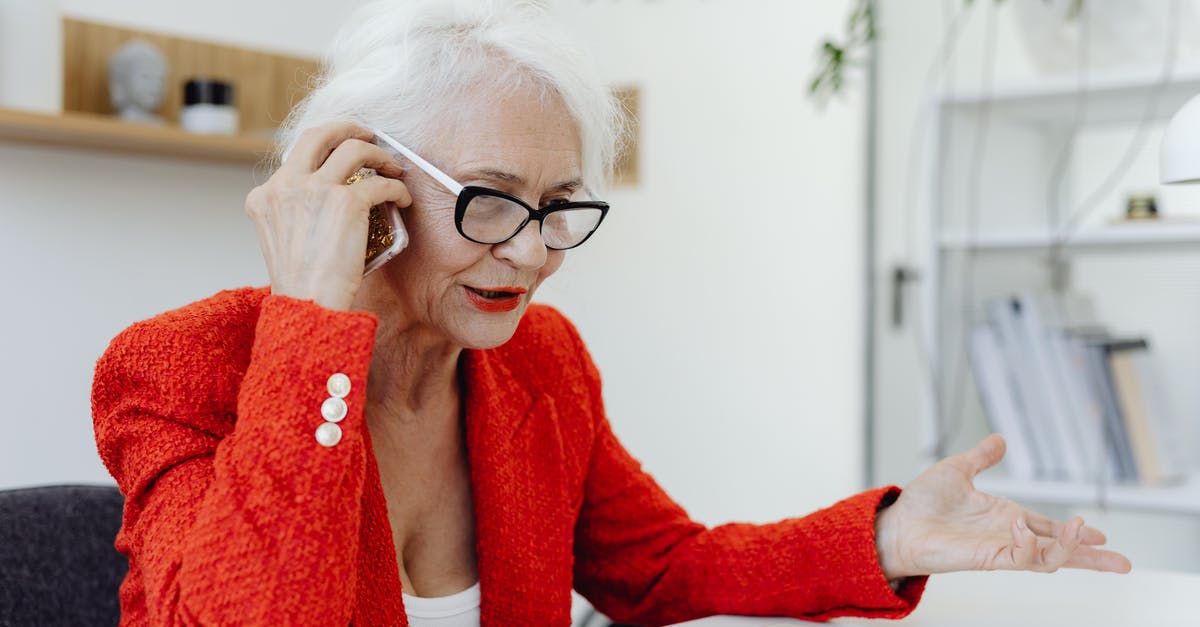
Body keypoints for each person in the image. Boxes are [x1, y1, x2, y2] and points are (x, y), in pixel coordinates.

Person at [90, 1, 1132, 625]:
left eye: (557, 208)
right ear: (364, 177)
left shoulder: (538, 361)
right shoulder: (179, 368)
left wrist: (891, 536)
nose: (535, 252)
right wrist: (314, 328)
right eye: (492, 199)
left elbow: (662, 568)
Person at [108, 40, 167, 125]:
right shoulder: (113, 125)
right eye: (146, 76)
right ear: (122, 79)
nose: (154, 85)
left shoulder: (162, 128)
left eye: (160, 79)